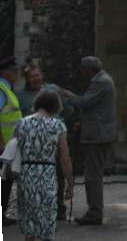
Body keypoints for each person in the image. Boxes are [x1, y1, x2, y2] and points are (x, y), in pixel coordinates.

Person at [59, 57, 115, 227]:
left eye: (83, 69)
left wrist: (67, 95)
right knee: (93, 175)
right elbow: (94, 108)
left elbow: (84, 102)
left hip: (97, 137)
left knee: (92, 176)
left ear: (89, 69)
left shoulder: (101, 82)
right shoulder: (101, 80)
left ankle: (95, 212)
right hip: (97, 134)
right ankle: (94, 211)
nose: (81, 73)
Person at [16, 89, 73, 241]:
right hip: (47, 175)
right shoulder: (58, 126)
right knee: (47, 223)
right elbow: (65, 158)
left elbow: (16, 150)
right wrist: (70, 183)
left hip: (26, 175)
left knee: (29, 224)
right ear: (55, 106)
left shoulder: (21, 123)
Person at [19, 62, 67, 221]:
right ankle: (33, 208)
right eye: (32, 77)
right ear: (26, 79)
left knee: (58, 174)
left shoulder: (52, 90)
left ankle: (59, 206)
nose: (35, 79)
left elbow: (66, 106)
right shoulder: (20, 96)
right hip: (32, 144)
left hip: (53, 139)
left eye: (37, 75)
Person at [1, 55, 22, 227]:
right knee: (3, 181)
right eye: (13, 70)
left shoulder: (8, 88)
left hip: (9, 145)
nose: (16, 73)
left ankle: (2, 214)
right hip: (3, 146)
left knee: (6, 180)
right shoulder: (1, 89)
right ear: (5, 72)